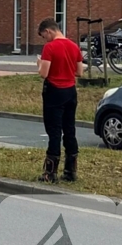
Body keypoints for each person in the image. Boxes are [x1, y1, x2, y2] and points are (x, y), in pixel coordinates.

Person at [36, 18, 85, 182]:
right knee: (69, 129)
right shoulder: (74, 46)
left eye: (44, 36)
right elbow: (80, 72)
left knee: (54, 131)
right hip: (70, 91)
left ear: (48, 31)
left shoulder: (49, 47)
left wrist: (38, 64)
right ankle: (71, 171)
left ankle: (50, 173)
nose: (45, 39)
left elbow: (44, 73)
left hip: (54, 91)